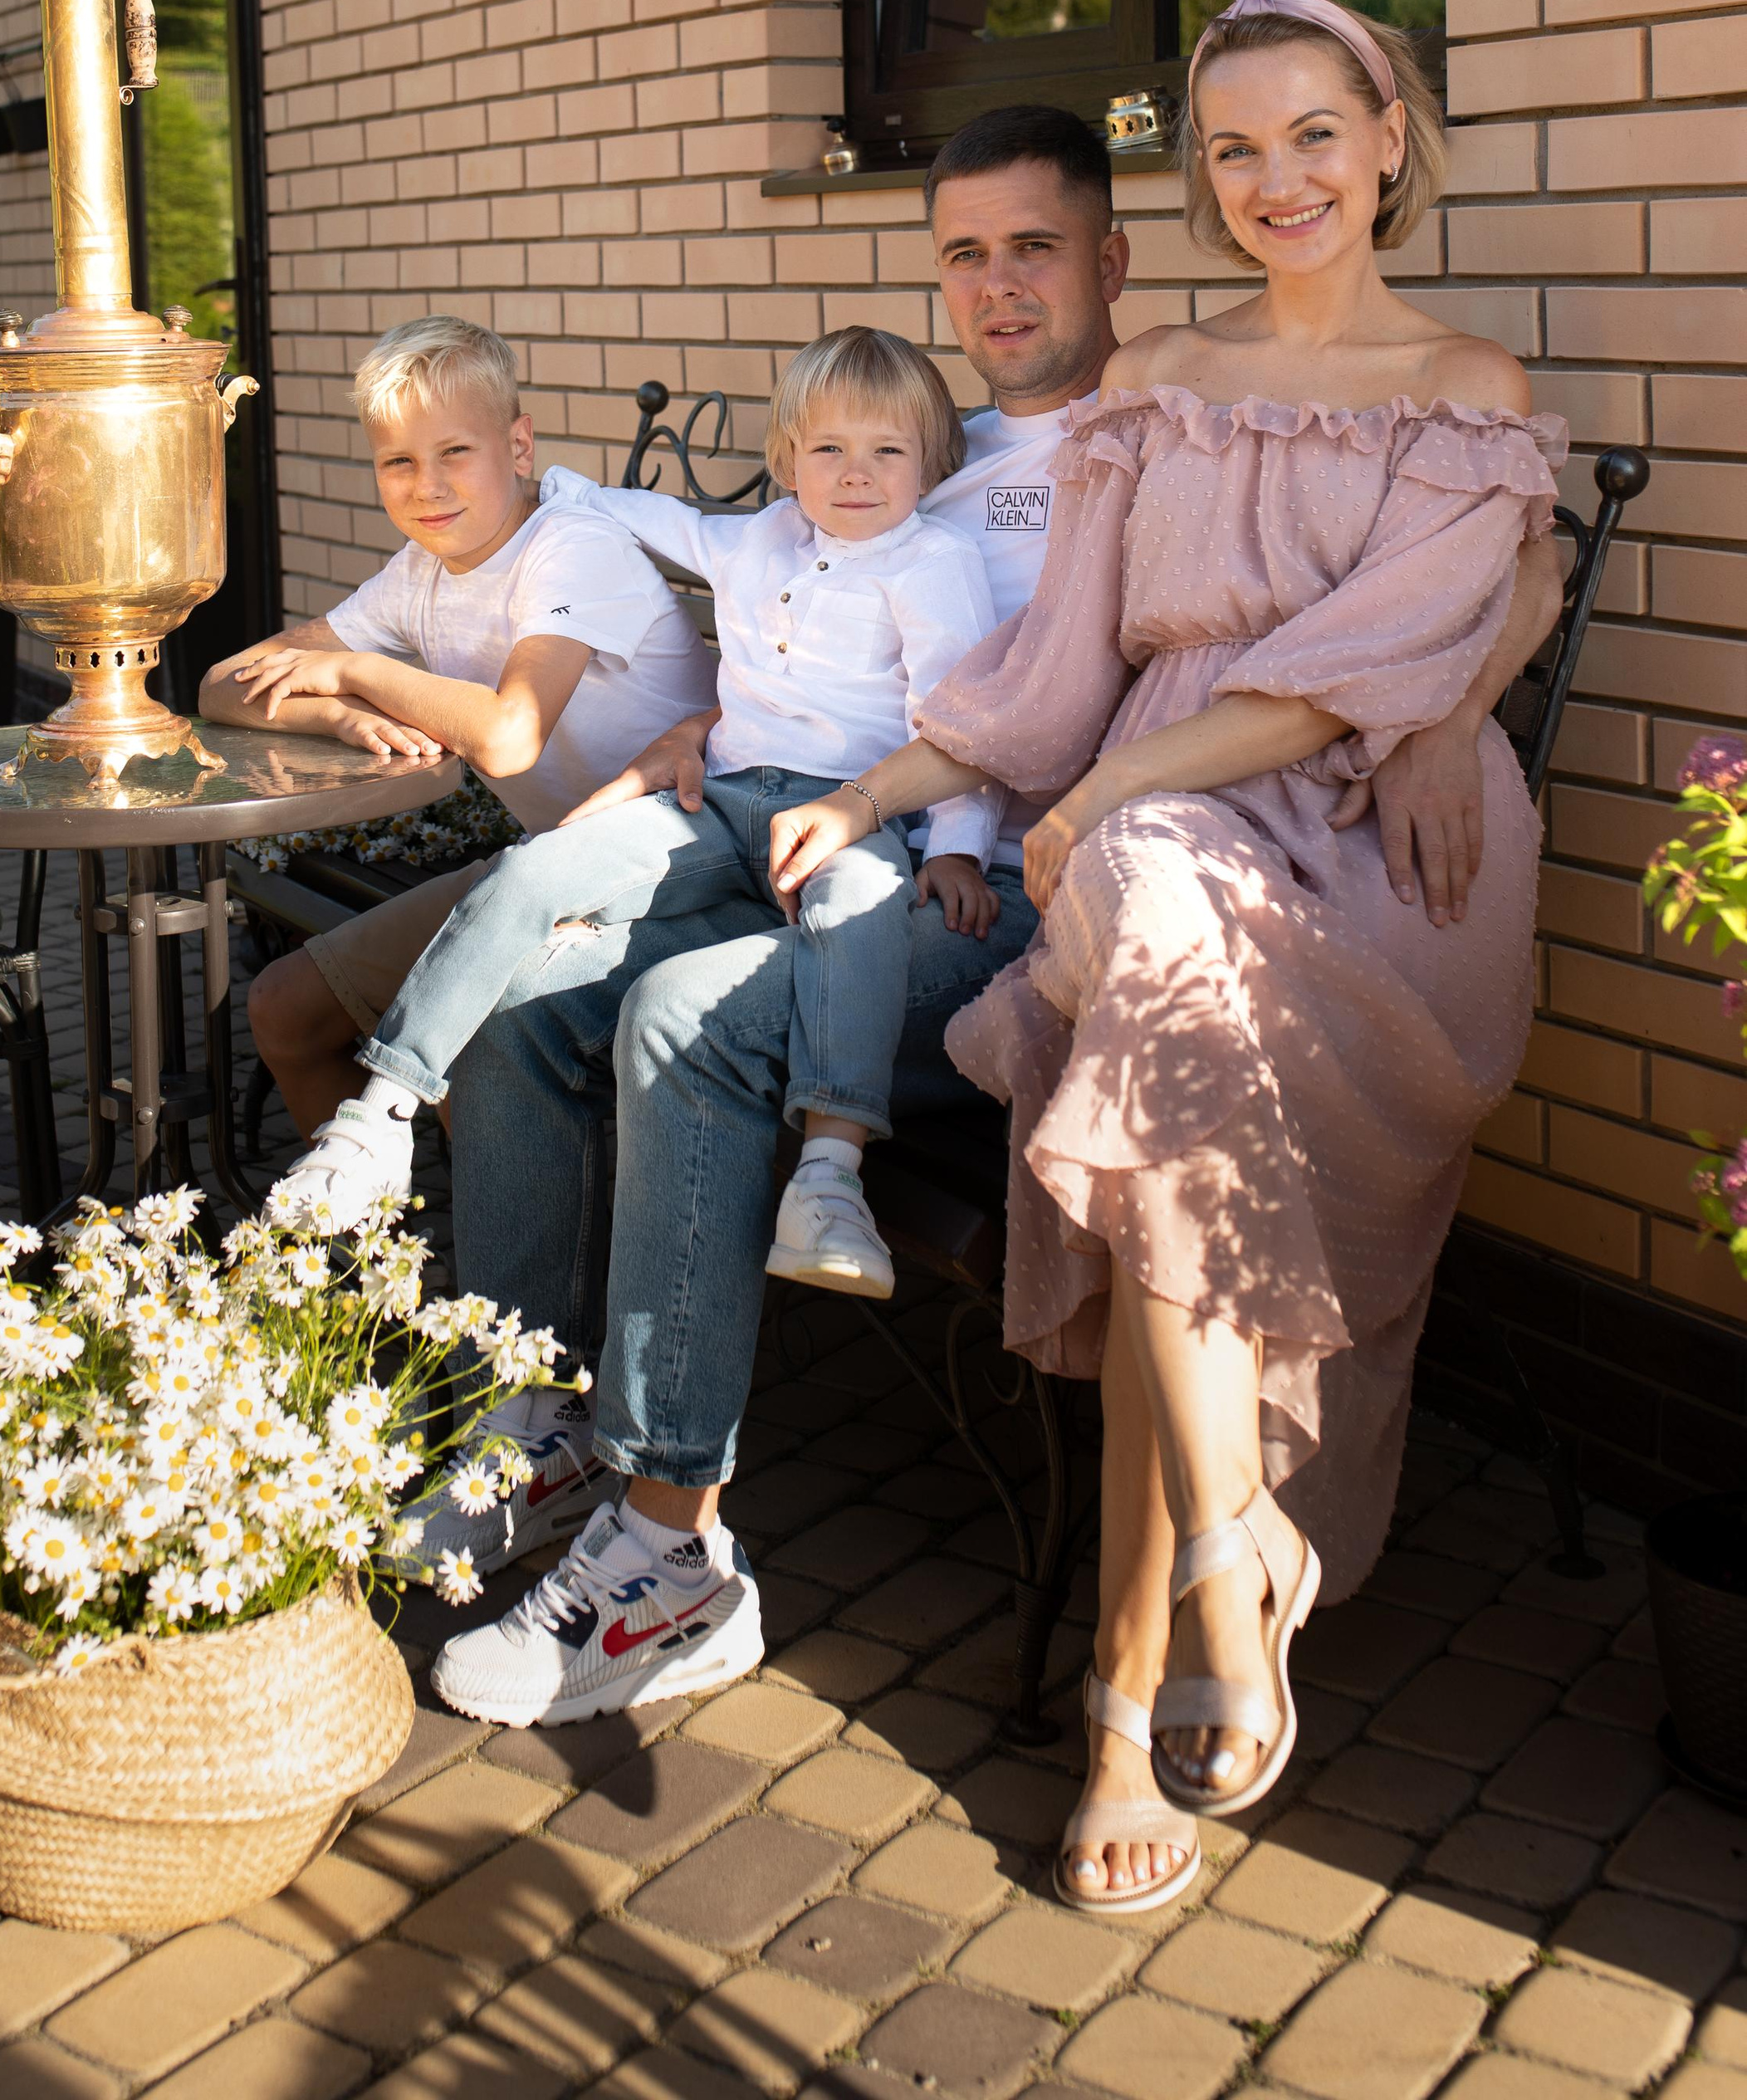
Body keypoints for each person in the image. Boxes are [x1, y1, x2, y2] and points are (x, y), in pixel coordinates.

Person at [410, 95, 1564, 1747]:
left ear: (1113, 256)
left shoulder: (1176, 404)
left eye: (1035, 247)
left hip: (1037, 888)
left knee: (686, 1016)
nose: (998, 286)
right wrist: (721, 735)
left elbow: (1499, 554)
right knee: (533, 992)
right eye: (965, 255)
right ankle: (538, 1424)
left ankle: (667, 1556)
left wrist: (1450, 715)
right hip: (861, 840)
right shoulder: (916, 444)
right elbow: (796, 611)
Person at [764, 0, 1566, 1916]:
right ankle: (1211, 1579)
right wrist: (879, 791)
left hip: (1379, 862)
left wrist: (1156, 780)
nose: (1273, 177)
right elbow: (1047, 678)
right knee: (1150, 1051)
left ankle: (1154, 1672)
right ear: (1197, 180)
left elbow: (1357, 667)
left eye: (1310, 133)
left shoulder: (1465, 375)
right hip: (1165, 870)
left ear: (1386, 135)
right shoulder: (1161, 387)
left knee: (1130, 899)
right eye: (1230, 147)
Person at [330, 326, 1002, 1285]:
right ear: (788, 461)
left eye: (886, 451)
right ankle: (380, 1113)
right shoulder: (763, 538)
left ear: (930, 462)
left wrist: (961, 848)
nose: (855, 476)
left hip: (856, 813)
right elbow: (669, 522)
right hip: (719, 795)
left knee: (857, 918)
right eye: (828, 450)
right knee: (542, 866)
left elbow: (962, 722)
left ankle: (828, 1172)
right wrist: (562, 491)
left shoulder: (930, 565)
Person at [202, 317, 714, 1182]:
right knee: (285, 1007)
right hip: (551, 868)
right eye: (397, 461)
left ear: (518, 446)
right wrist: (332, 711)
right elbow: (222, 684)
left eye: (454, 453)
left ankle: (501, 1274)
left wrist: (352, 668)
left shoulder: (569, 548)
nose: (426, 486)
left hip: (680, 871)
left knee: (475, 1056)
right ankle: (374, 1285)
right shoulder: (422, 570)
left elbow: (509, 736)